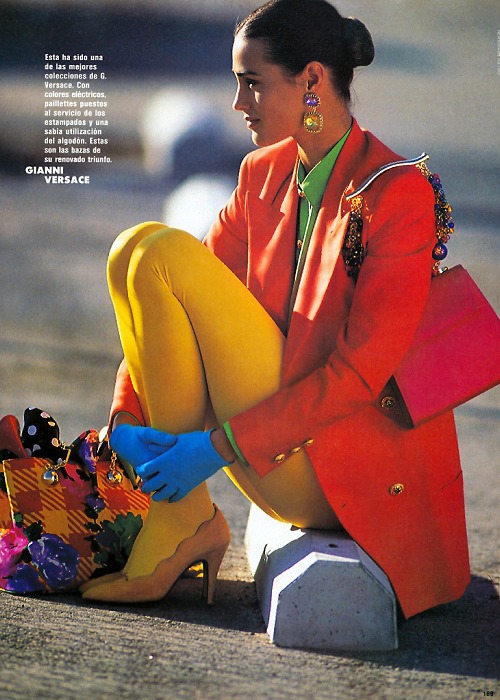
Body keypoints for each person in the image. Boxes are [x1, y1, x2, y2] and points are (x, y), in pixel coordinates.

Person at [81, 0, 470, 619]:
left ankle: (180, 521)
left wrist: (213, 448)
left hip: (341, 477)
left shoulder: (398, 194)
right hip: (268, 446)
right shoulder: (262, 173)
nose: (239, 104)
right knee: (135, 248)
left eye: (253, 83)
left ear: (312, 79)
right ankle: (181, 518)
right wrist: (126, 416)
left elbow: (359, 376)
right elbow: (181, 302)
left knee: (157, 252)